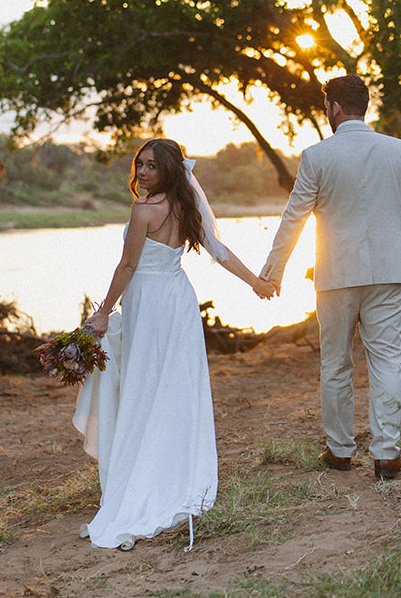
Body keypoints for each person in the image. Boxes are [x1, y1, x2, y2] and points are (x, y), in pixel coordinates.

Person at [72, 137, 276, 551]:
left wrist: (102, 313)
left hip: (150, 301)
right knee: (168, 386)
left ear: (167, 170)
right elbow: (218, 250)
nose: (142, 172)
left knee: (147, 386)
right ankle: (170, 472)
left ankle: (143, 479)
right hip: (177, 300)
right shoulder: (185, 207)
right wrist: (255, 281)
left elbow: (128, 265)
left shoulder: (144, 210)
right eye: (139, 165)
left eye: (150, 166)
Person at [258, 74, 401, 481]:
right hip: (388, 274)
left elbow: (295, 217)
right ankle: (386, 454)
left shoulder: (316, 156)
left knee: (336, 363)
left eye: (327, 106)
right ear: (365, 106)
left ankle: (340, 452)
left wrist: (273, 271)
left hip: (335, 275)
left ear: (334, 108)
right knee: (387, 360)